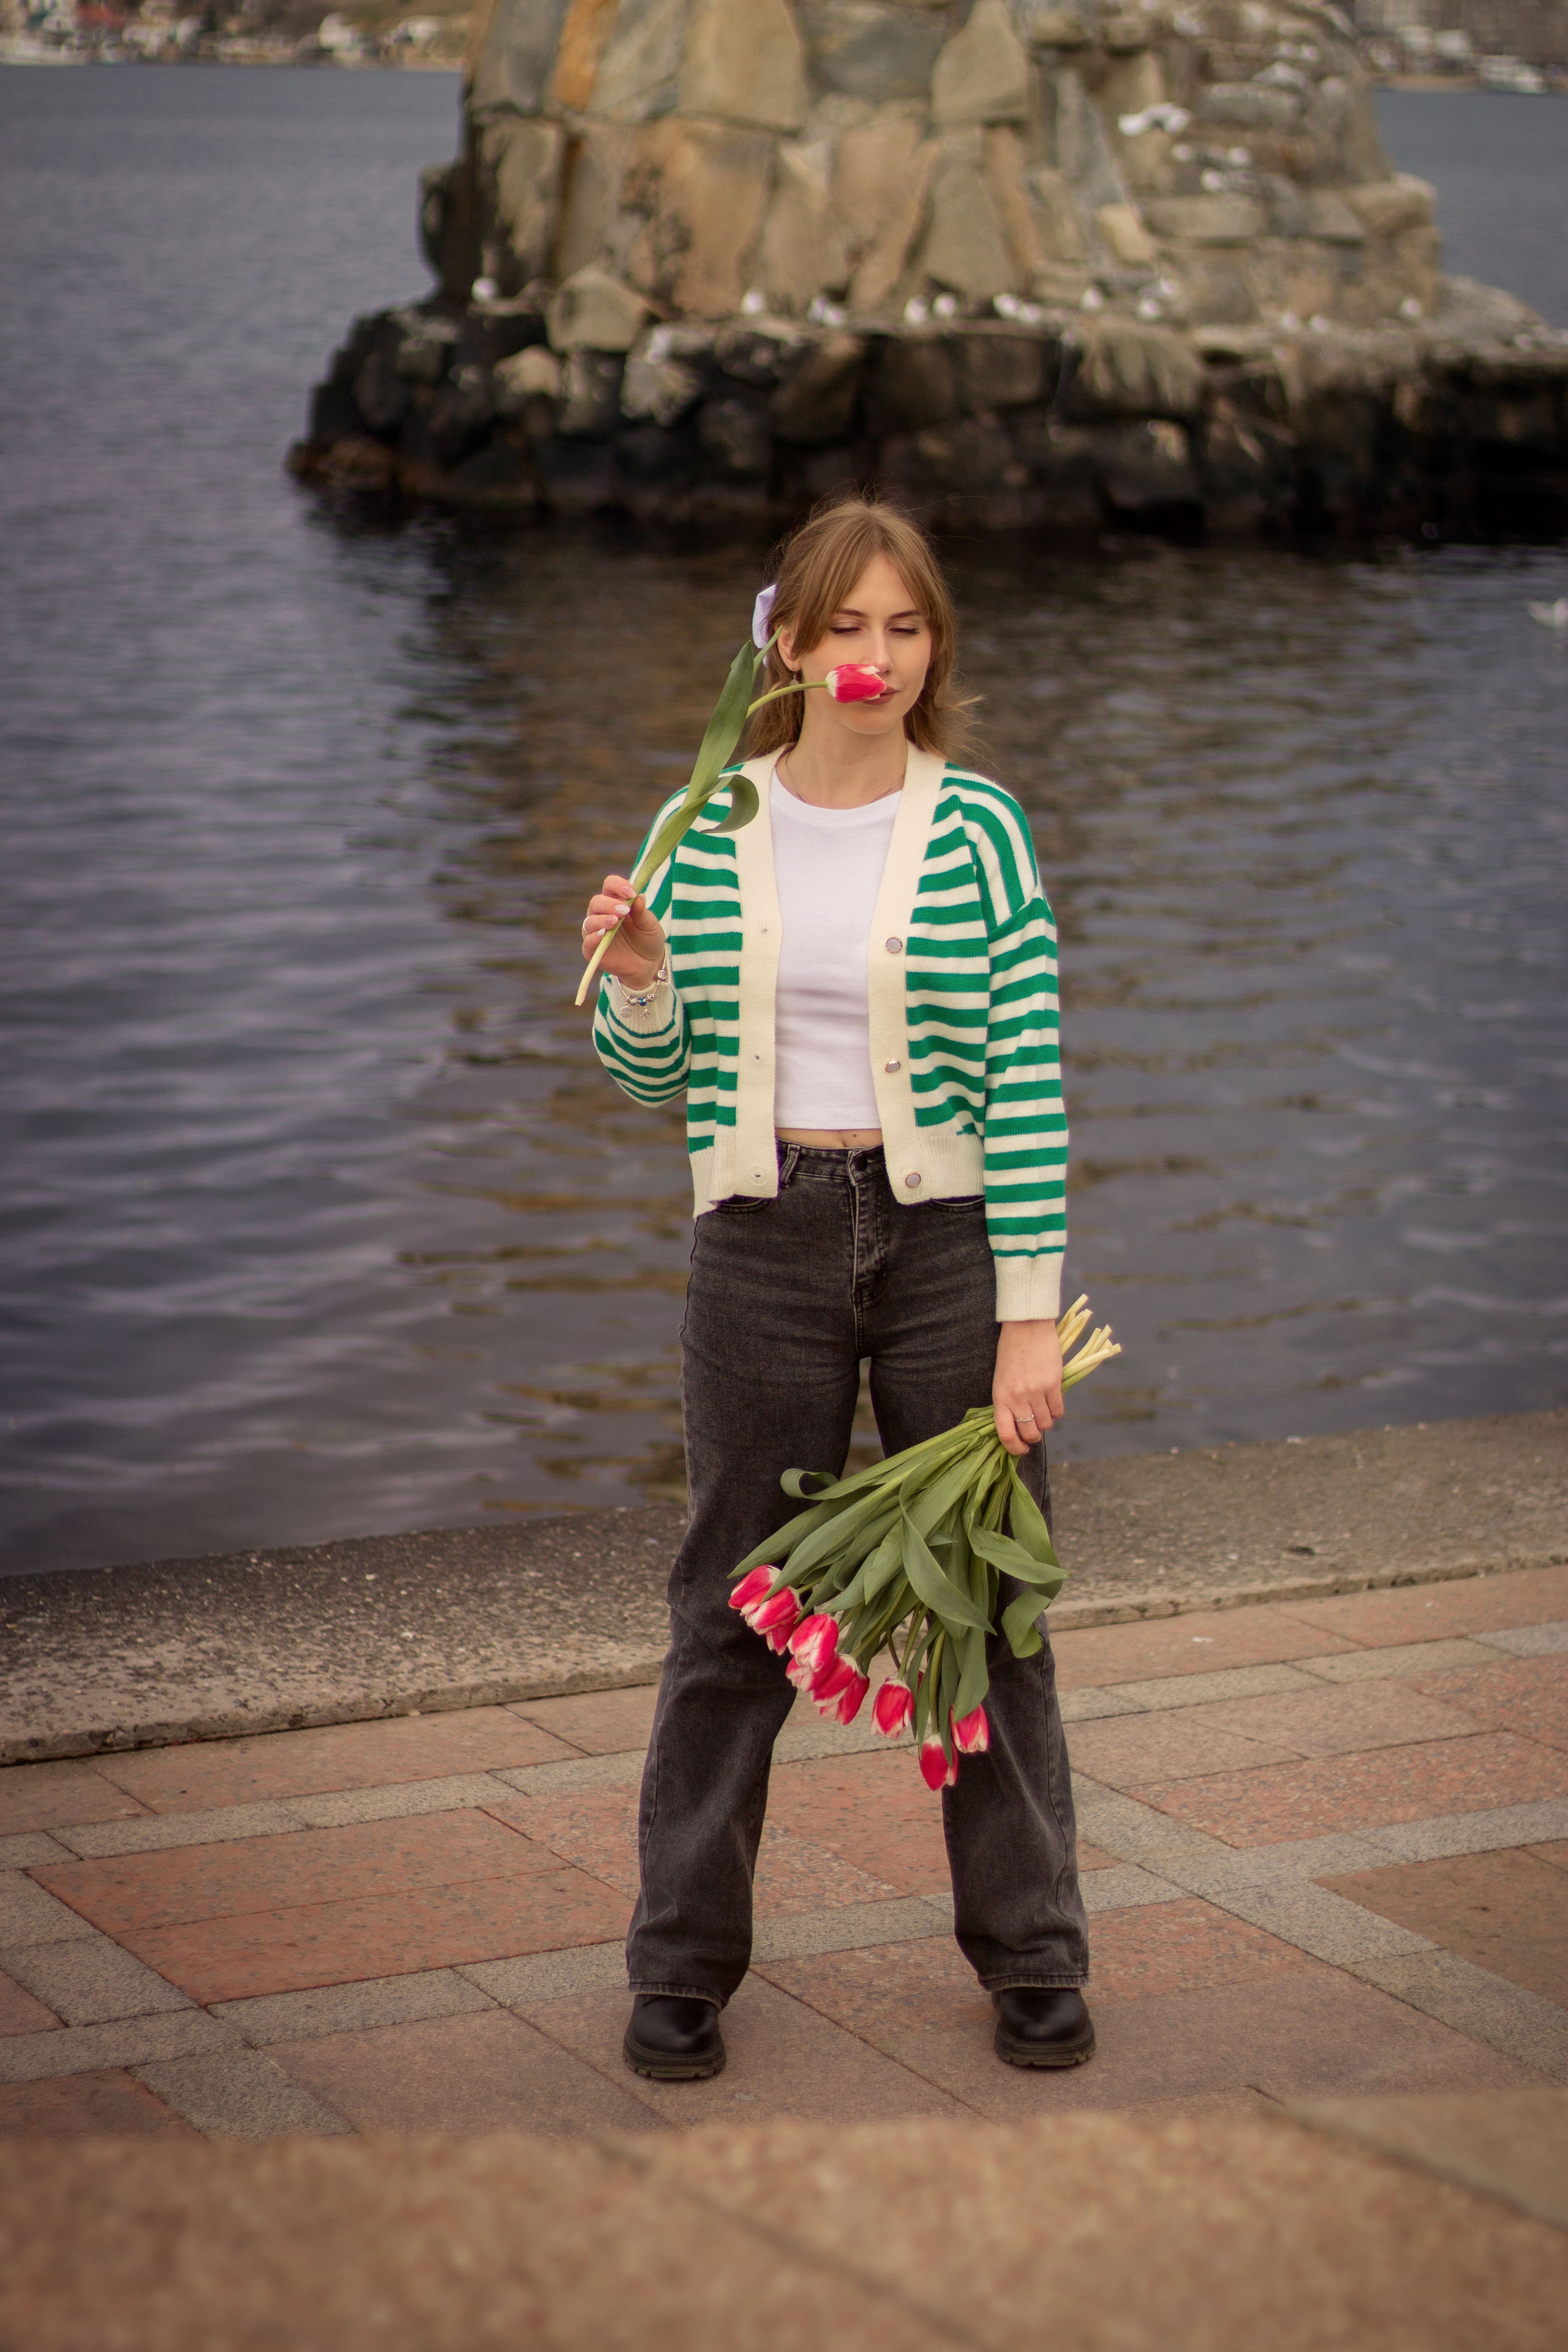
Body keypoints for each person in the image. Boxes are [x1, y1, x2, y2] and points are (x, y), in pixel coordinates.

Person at [580, 496, 1091, 2082]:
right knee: (731, 1606)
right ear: (786, 644)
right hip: (759, 1237)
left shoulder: (981, 828)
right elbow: (653, 1078)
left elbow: (1027, 1081)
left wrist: (1028, 1316)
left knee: (989, 1599)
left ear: (935, 646)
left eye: (907, 627)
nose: (879, 655)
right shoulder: (702, 824)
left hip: (946, 1243)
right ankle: (681, 1964)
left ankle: (1034, 1956)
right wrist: (643, 982)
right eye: (847, 626)